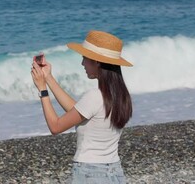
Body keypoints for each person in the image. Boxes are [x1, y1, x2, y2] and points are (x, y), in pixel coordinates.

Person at [30, 30, 133, 184]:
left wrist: (42, 90)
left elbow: (55, 126)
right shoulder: (120, 95)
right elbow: (78, 111)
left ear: (97, 62)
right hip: (114, 172)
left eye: (85, 58)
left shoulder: (95, 96)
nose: (82, 63)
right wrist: (49, 78)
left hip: (90, 173)